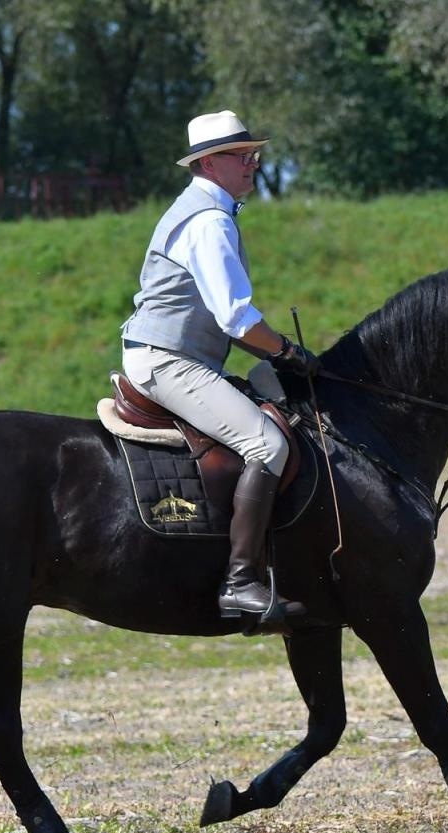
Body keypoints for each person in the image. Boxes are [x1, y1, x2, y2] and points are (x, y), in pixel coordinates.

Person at [119, 110, 321, 619]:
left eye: (254, 152)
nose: (253, 162)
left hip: (174, 355)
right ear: (209, 163)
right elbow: (235, 318)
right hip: (167, 360)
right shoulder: (208, 222)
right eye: (242, 155)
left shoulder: (210, 212)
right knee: (267, 443)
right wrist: (288, 352)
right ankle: (240, 583)